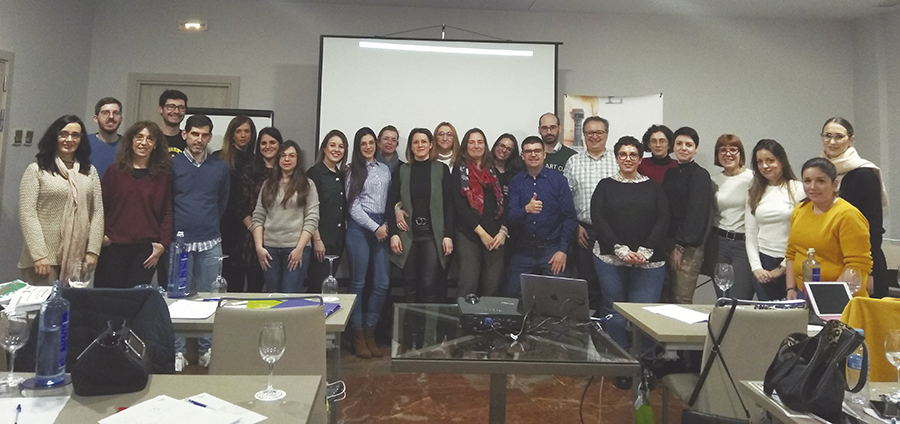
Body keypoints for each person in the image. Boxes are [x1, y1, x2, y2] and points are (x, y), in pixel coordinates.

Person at [591, 136, 668, 352]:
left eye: (633, 155)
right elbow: (599, 218)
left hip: (648, 261)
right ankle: (621, 356)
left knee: (644, 313)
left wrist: (645, 251)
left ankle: (644, 360)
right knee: (614, 310)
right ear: (616, 158)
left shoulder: (653, 187)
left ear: (640, 158)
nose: (628, 158)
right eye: (623, 154)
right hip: (610, 257)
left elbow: (663, 219)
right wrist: (620, 249)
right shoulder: (605, 186)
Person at [170, 114, 229, 370]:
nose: (199, 139)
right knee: (178, 299)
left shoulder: (219, 167)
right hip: (179, 244)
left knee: (210, 298)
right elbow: (166, 202)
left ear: (210, 137)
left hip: (210, 242)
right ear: (185, 134)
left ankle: (208, 349)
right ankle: (178, 351)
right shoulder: (172, 165)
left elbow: (222, 201)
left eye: (204, 135)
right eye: (195, 134)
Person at [18, 115, 104, 285]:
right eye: (63, 134)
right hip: (43, 261)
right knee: (44, 302)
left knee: (72, 302)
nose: (69, 139)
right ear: (54, 136)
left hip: (78, 259)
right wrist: (39, 255)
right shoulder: (36, 170)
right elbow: (28, 214)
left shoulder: (89, 171)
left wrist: (93, 251)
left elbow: (98, 212)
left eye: (75, 135)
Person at [95, 121, 172, 289]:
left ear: (155, 145)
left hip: (145, 251)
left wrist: (162, 244)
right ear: (131, 140)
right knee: (107, 297)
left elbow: (166, 211)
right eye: (139, 137)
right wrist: (101, 237)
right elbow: (100, 207)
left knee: (135, 299)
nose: (144, 142)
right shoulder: (115, 171)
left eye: (150, 139)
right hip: (113, 247)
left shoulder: (161, 175)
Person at [820, 117, 889, 298]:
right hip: (831, 261)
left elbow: (873, 227)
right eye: (827, 136)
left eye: (838, 136)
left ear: (850, 140)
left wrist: (869, 271)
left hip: (862, 265)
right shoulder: (819, 171)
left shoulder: (864, 173)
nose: (832, 142)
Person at [785, 158, 872, 299]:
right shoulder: (800, 210)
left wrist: (830, 298)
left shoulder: (848, 215)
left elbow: (857, 265)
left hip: (841, 296)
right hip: (804, 293)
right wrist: (791, 288)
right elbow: (791, 253)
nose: (812, 187)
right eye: (807, 181)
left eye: (820, 181)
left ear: (835, 184)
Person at [387, 128, 454, 303]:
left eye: (424, 141)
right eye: (416, 142)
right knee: (409, 287)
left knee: (429, 287)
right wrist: (393, 234)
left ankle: (427, 322)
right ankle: (410, 322)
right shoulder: (402, 170)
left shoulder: (441, 169)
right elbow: (391, 202)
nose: (420, 145)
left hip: (432, 236)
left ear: (431, 145)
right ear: (411, 146)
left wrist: (448, 235)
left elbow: (449, 205)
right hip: (407, 237)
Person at [506, 136, 577, 297]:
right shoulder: (516, 182)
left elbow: (569, 217)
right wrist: (526, 209)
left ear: (544, 154)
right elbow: (510, 217)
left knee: (561, 296)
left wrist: (563, 250)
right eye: (528, 151)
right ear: (522, 156)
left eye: (537, 151)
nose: (533, 155)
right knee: (511, 295)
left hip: (552, 249)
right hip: (523, 250)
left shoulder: (559, 181)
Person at [345, 127, 391, 359]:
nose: (368, 147)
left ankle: (371, 332)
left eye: (371, 142)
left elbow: (391, 199)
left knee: (382, 283)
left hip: (382, 225)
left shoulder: (385, 169)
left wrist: (386, 224)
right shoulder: (352, 170)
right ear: (358, 146)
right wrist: (375, 228)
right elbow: (352, 206)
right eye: (363, 143)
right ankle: (358, 335)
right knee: (358, 283)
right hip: (360, 228)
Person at [563, 116, 617, 314]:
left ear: (606, 135)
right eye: (590, 133)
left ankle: (611, 327)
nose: (594, 136)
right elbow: (565, 200)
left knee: (612, 285)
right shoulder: (573, 162)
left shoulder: (618, 160)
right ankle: (591, 326)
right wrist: (575, 227)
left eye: (599, 132)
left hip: (614, 233)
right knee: (589, 284)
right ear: (584, 135)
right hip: (585, 232)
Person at [251, 141, 319, 293]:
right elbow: (258, 216)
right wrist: (259, 247)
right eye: (283, 156)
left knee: (289, 295)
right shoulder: (268, 184)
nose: (287, 159)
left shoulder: (307, 185)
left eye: (291, 156)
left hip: (295, 248)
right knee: (272, 295)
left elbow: (312, 218)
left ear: (298, 159)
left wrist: (299, 248)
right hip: (269, 250)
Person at [451, 128, 508, 297]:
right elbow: (459, 206)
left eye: (480, 142)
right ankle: (465, 316)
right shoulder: (459, 170)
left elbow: (505, 203)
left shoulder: (493, 171)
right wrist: (482, 234)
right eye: (472, 142)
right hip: (469, 234)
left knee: (492, 285)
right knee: (468, 284)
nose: (476, 146)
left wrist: (503, 231)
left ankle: (487, 316)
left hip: (495, 235)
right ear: (465, 146)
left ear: (485, 145)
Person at [745, 139, 802, 301]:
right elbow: (750, 232)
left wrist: (782, 268)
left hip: (791, 262)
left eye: (770, 160)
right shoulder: (754, 191)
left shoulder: (798, 189)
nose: (765, 166)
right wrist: (756, 267)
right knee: (767, 313)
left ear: (781, 161)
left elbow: (802, 234)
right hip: (763, 261)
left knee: (792, 312)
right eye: (760, 162)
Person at [661, 127, 712, 304]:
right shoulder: (671, 173)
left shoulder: (700, 175)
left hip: (688, 247)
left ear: (696, 148)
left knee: (681, 298)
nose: (683, 148)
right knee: (664, 297)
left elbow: (696, 213)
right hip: (667, 242)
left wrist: (680, 247)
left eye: (689, 145)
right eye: (679, 144)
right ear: (673, 147)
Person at [706, 134, 754, 299]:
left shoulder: (753, 178)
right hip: (718, 244)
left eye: (733, 149)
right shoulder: (713, 180)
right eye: (722, 150)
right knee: (723, 297)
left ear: (741, 153)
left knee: (740, 298)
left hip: (743, 245)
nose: (728, 154)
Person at [213, 116, 258, 292]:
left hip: (249, 223)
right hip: (226, 222)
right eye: (238, 131)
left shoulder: (256, 160)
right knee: (228, 273)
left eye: (247, 131)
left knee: (252, 274)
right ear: (232, 135)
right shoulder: (219, 158)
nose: (243, 135)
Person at [237, 127, 283, 292]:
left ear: (280, 145)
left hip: (280, 239)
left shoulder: (286, 172)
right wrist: (256, 231)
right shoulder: (250, 171)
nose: (268, 146)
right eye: (263, 143)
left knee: (278, 291)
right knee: (254, 289)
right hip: (253, 240)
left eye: (272, 142)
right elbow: (241, 207)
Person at [307, 129, 347, 293]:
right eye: (332, 145)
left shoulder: (342, 175)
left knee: (329, 288)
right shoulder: (314, 173)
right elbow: (309, 210)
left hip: (337, 242)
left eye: (341, 146)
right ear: (324, 148)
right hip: (320, 242)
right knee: (317, 287)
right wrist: (317, 240)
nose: (336, 150)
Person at [87, 97, 123, 178]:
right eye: (105, 113)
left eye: (116, 113)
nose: (111, 117)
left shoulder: (129, 145)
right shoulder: (84, 143)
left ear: (120, 119)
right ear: (96, 119)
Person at [491, 133, 524, 197]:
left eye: (509, 149)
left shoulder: (516, 173)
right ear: (496, 145)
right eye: (501, 146)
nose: (504, 150)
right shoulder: (484, 167)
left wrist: (512, 191)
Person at [158, 89, 188, 157]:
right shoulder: (152, 137)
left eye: (181, 108)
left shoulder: (188, 139)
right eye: (171, 107)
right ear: (161, 109)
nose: (176, 111)